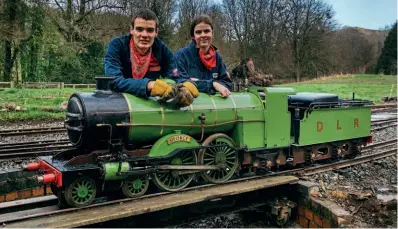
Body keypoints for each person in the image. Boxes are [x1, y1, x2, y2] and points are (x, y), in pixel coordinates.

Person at [104, 8, 198, 106]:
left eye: (150, 30)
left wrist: (185, 84)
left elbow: (175, 74)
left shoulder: (162, 50)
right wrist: (149, 85)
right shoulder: (117, 45)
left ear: (156, 32)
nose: (144, 35)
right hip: (120, 103)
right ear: (131, 30)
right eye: (139, 29)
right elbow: (113, 80)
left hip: (149, 105)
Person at [174, 15, 233, 97]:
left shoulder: (217, 58)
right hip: (189, 107)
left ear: (212, 33)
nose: (203, 35)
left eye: (206, 31)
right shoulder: (181, 56)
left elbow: (228, 84)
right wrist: (214, 85)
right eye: (198, 32)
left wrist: (196, 83)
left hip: (213, 107)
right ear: (193, 36)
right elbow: (179, 82)